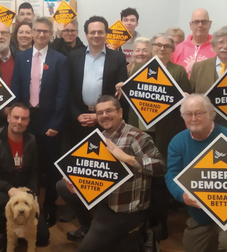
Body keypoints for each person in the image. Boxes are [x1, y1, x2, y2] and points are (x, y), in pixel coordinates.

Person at [57, 95, 165, 252]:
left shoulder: (137, 137)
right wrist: (78, 184)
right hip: (105, 201)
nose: (104, 116)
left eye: (109, 111)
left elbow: (161, 166)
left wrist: (127, 158)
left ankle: (139, 237)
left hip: (124, 209)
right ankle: (88, 226)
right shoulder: (99, 138)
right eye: (100, 113)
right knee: (62, 186)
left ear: (120, 112)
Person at [120, 33, 191, 238]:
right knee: (140, 175)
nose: (161, 49)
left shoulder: (177, 71)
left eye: (167, 46)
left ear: (173, 49)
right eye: (158, 45)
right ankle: (141, 219)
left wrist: (185, 98)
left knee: (159, 177)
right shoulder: (139, 68)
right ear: (152, 48)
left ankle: (159, 221)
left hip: (163, 132)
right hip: (139, 131)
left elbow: (185, 102)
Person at [166, 94, 227, 252]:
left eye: (199, 113)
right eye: (188, 114)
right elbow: (172, 174)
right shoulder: (178, 141)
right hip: (201, 211)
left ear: (211, 114)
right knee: (192, 245)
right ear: (182, 117)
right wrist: (181, 194)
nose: (194, 118)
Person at [11, 16, 69, 227]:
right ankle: (29, 206)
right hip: (26, 120)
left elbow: (63, 95)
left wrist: (57, 123)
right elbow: (17, 88)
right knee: (28, 166)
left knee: (51, 168)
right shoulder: (22, 56)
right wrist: (16, 118)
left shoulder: (60, 59)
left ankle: (50, 207)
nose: (41, 34)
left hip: (50, 120)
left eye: (46, 31)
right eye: (38, 30)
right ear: (32, 32)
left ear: (51, 34)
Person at [0, 103, 49, 251]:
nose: (19, 122)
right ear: (8, 117)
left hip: (22, 191)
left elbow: (33, 172)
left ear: (28, 121)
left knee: (42, 238)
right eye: (16, 117)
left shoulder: (31, 140)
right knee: (3, 204)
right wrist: (8, 189)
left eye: (24, 119)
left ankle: (15, 226)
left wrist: (32, 194)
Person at [69, 16, 127, 147]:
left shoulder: (118, 58)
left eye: (100, 32)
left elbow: (120, 92)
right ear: (86, 35)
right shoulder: (74, 56)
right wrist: (77, 115)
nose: (96, 35)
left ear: (106, 33)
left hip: (107, 121)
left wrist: (99, 115)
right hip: (79, 119)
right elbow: (68, 89)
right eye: (92, 32)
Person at [190, 26, 227, 138]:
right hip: (205, 133)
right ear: (214, 46)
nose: (225, 46)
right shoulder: (198, 68)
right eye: (221, 42)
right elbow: (191, 99)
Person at [171, 8, 215, 76]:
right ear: (190, 25)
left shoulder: (218, 47)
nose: (200, 25)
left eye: (204, 22)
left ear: (210, 24)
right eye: (196, 22)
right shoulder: (178, 49)